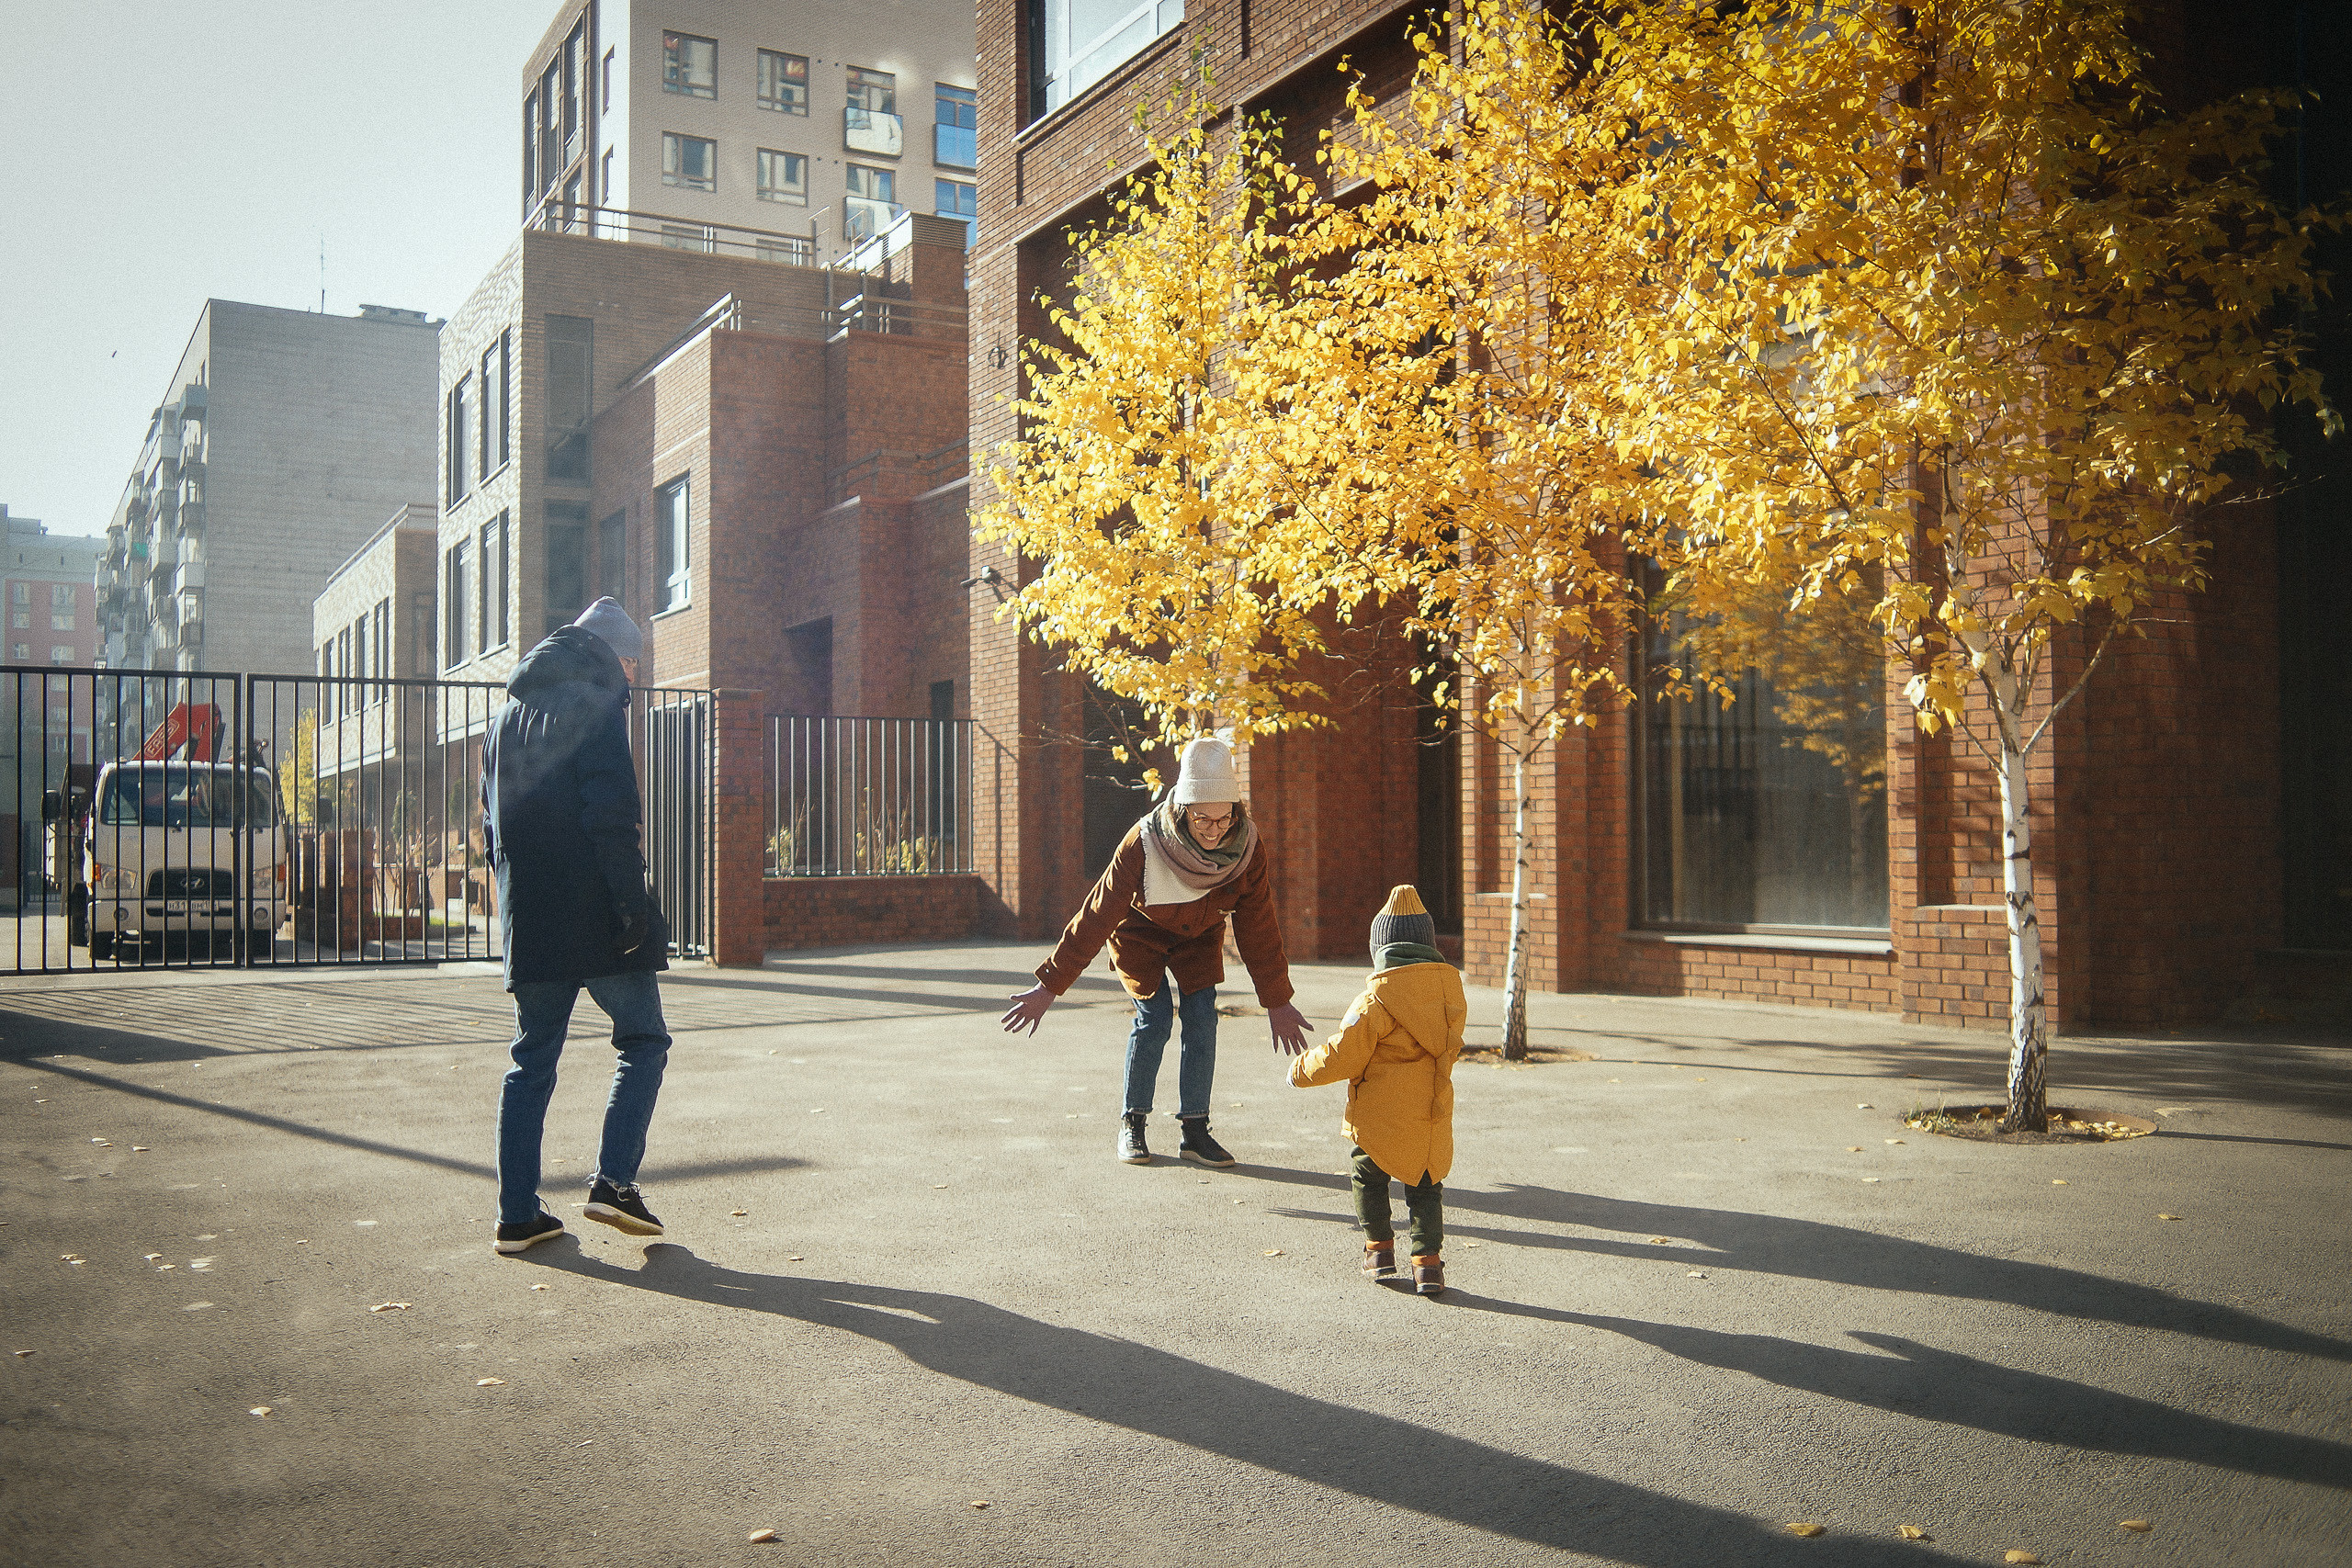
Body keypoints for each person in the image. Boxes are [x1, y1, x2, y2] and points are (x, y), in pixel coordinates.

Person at [1001, 737, 1309, 1166]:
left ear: (1236, 813)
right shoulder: (1144, 842)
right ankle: (1133, 1123)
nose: (1214, 830)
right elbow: (1097, 914)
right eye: (1202, 819)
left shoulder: (1247, 849)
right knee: (1156, 1018)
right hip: (1138, 935)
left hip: (1198, 936)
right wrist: (1050, 985)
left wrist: (1277, 999)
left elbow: (1258, 926)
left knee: (1202, 1018)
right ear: (1182, 810)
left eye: (1224, 819)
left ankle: (1195, 1131)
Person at [481, 597, 673, 1254]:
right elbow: (611, 818)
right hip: (595, 915)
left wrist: (515, 903)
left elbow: (490, 826)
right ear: (614, 656)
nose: (633, 676)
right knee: (644, 1040)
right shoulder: (597, 705)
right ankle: (613, 1182)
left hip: (531, 919)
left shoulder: (504, 718)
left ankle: (516, 1215)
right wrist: (632, 909)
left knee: (530, 1059)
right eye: (632, 663)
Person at [1289, 886, 1464, 1296]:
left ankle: (1379, 1251)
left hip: (1378, 1114)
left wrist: (1300, 1070)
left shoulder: (1375, 1000)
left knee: (1368, 1174)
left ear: (1380, 948)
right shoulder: (1449, 994)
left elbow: (1343, 1054)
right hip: (1431, 1109)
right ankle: (1428, 1265)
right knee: (1426, 1184)